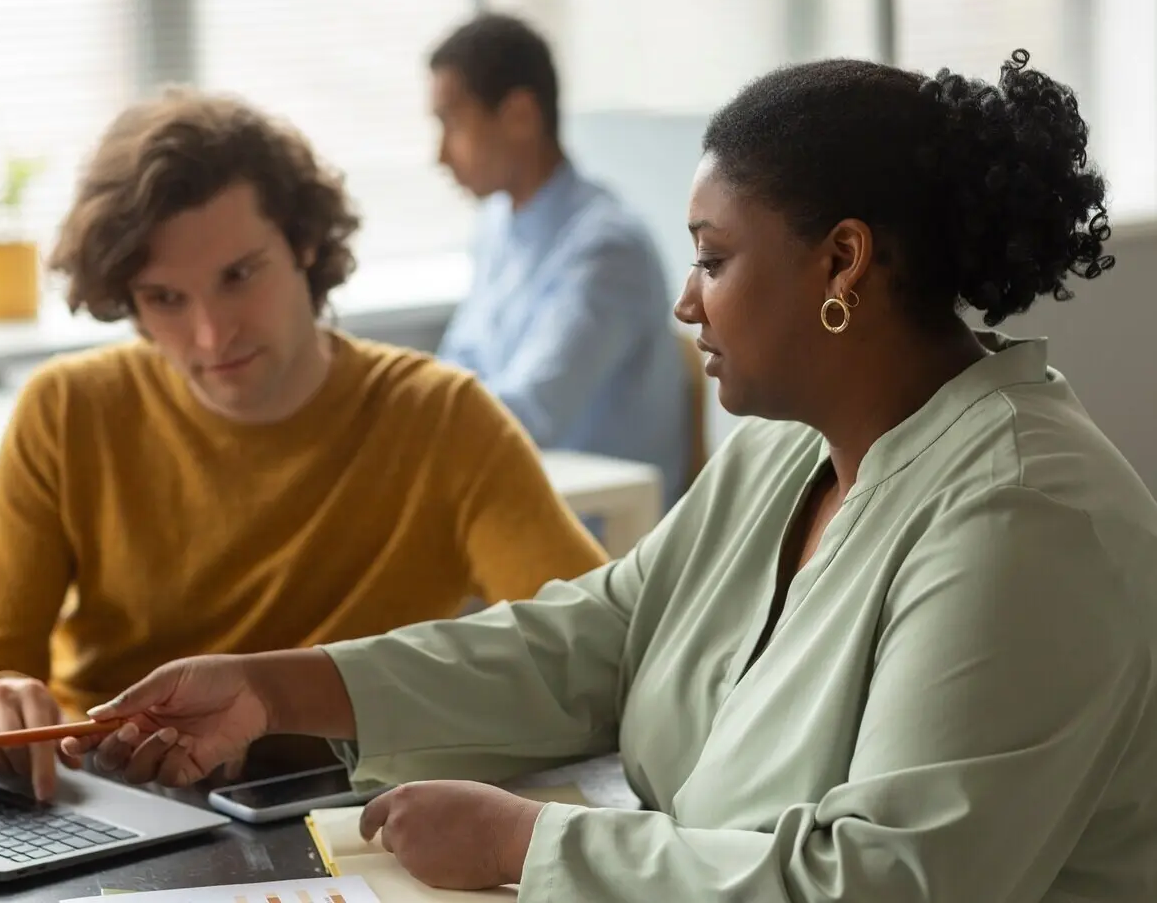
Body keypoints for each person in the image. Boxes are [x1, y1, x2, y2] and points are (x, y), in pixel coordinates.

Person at [64, 50, 1157, 900]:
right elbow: (595, 638)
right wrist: (275, 687)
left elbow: (888, 881)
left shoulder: (1025, 513)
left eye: (713, 257)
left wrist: (530, 843)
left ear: (842, 262)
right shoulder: (789, 448)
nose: (687, 303)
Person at [0, 87, 609, 801]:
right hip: (104, 800)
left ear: (303, 244)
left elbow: (596, 654)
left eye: (238, 276)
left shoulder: (442, 419)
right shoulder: (67, 409)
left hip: (343, 805)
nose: (211, 335)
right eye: (165, 298)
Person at [429, 13, 696, 509]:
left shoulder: (605, 249)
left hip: (597, 530)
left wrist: (392, 419)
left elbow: (532, 414)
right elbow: (458, 370)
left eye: (452, 122)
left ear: (520, 117)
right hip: (515, 500)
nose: (440, 155)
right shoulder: (496, 227)